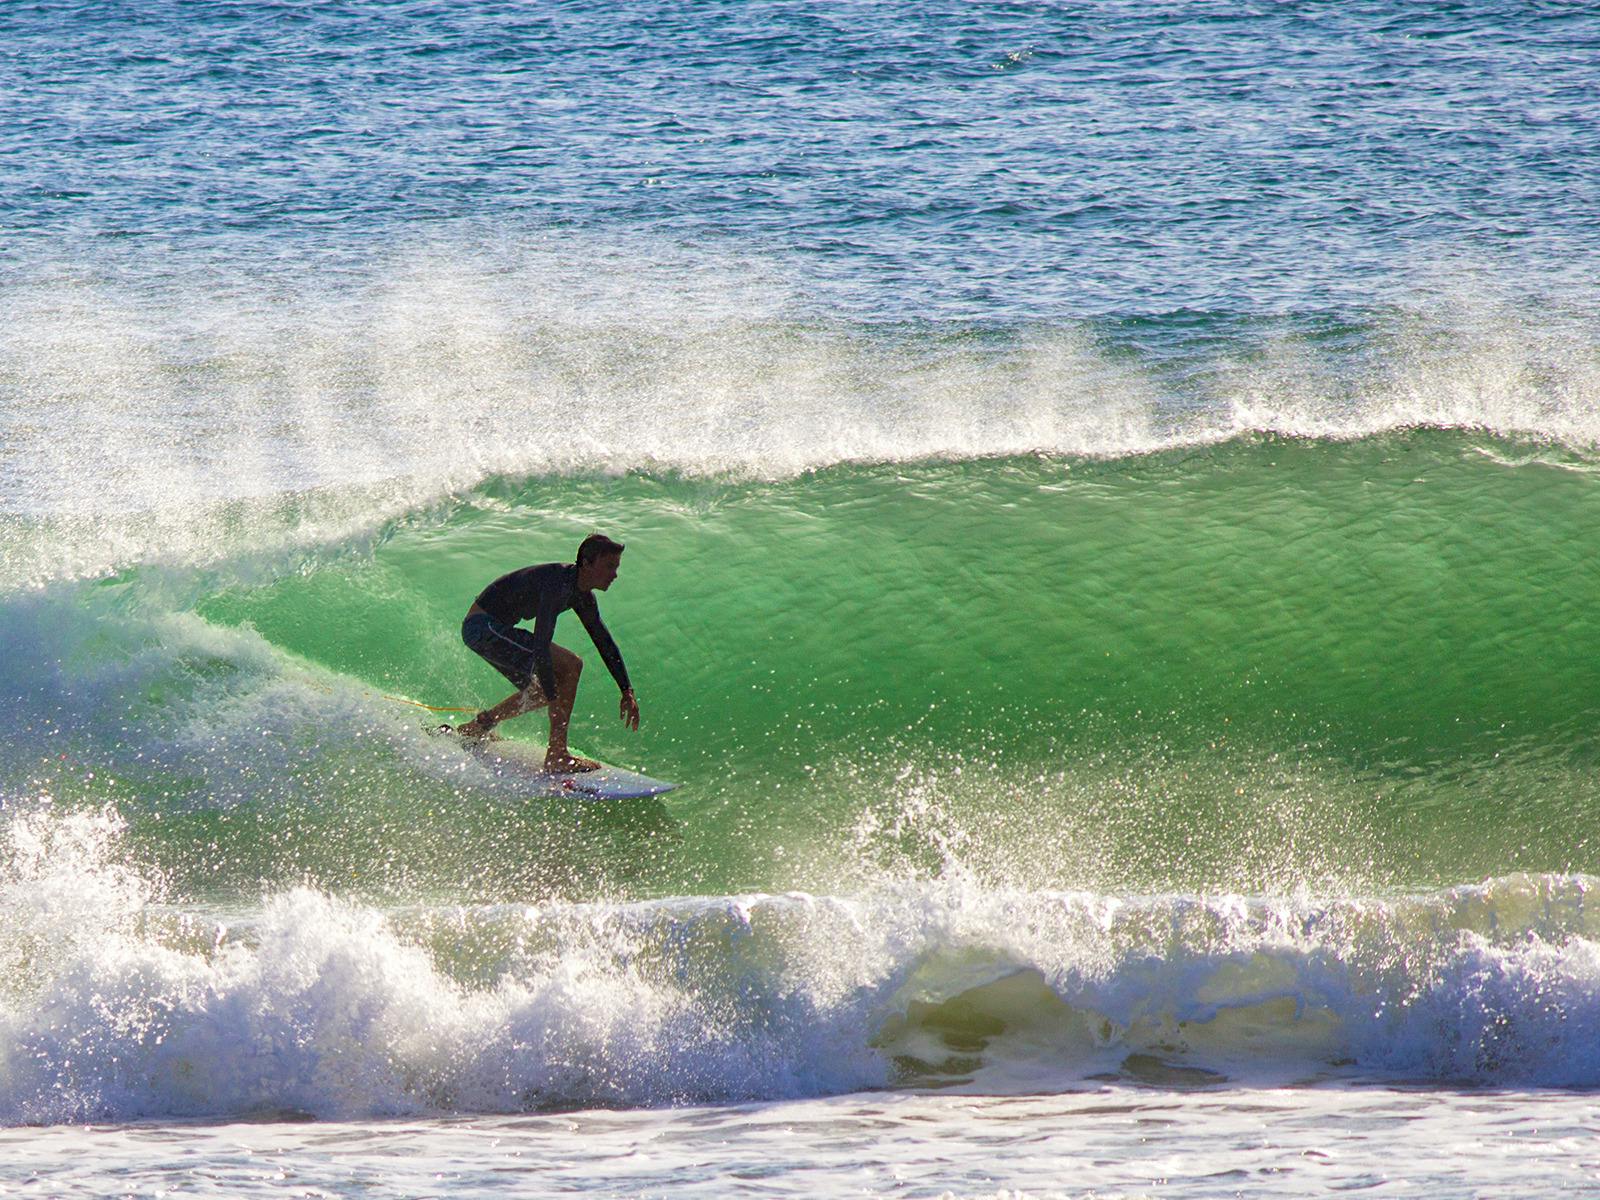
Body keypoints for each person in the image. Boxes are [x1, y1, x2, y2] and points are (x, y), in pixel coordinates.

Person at [454, 533, 640, 771]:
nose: (614, 574)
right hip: (482, 627)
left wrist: (626, 690)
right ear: (587, 563)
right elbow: (541, 644)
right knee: (570, 666)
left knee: (541, 691)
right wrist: (556, 698)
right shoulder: (557, 584)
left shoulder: (582, 596)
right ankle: (557, 755)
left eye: (616, 567)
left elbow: (603, 641)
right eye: (609, 566)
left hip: (492, 629)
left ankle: (477, 728)